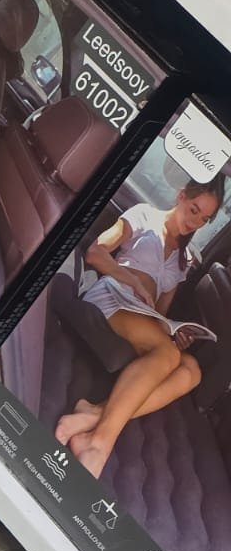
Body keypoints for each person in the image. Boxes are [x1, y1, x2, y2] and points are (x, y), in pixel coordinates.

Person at [55, 177, 226, 478]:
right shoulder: (144, 215)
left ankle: (92, 415)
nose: (195, 222)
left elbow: (159, 313)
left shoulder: (183, 261)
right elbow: (95, 252)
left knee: (192, 370)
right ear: (181, 196)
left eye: (204, 219)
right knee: (167, 355)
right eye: (194, 209)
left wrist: (173, 332)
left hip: (140, 316)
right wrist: (132, 280)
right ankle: (97, 443)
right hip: (112, 296)